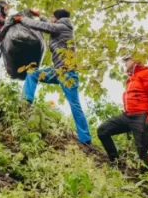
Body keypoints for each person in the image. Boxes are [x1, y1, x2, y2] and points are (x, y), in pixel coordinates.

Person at [16, 9, 93, 148]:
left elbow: (42, 26)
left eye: (52, 17)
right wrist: (40, 15)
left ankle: (85, 138)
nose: (50, 19)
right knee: (32, 74)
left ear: (56, 18)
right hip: (57, 71)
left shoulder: (61, 28)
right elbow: (47, 22)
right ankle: (26, 102)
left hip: (68, 73)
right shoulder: (61, 26)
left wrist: (21, 19)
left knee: (74, 104)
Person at [97, 54, 148, 163]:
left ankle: (147, 177)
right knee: (103, 130)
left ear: (135, 59)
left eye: (127, 60)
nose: (124, 63)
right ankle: (116, 162)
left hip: (141, 116)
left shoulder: (147, 73)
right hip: (127, 116)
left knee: (143, 149)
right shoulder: (131, 78)